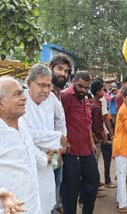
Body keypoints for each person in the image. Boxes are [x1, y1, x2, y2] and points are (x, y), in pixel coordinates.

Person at [20, 64, 68, 214]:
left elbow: (61, 120)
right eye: (41, 85)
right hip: (31, 158)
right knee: (33, 200)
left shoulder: (52, 99)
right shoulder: (21, 101)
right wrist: (58, 137)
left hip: (53, 155)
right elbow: (27, 135)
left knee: (51, 193)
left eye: (48, 85)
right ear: (29, 84)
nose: (46, 90)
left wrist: (59, 149)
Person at [0, 77, 47, 214]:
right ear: (1, 104)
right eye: (17, 94)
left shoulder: (22, 125)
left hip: (33, 205)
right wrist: (2, 193)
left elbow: (29, 149)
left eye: (22, 92)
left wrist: (45, 158)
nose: (24, 98)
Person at [60, 71, 100, 214]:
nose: (83, 90)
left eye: (86, 87)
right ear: (74, 81)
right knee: (70, 191)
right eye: (80, 86)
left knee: (93, 182)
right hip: (70, 153)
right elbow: (57, 122)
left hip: (86, 150)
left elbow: (87, 124)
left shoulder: (85, 100)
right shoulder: (64, 96)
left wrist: (92, 143)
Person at [49, 54, 72, 214]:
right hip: (42, 153)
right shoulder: (41, 93)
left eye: (66, 71)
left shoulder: (60, 95)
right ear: (50, 68)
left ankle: (56, 206)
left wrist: (62, 147)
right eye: (59, 69)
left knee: (56, 185)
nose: (63, 73)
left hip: (57, 153)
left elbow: (60, 124)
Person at [112, 87, 127, 213]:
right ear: (123, 98)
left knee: (121, 175)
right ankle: (123, 206)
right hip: (121, 146)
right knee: (122, 176)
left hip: (121, 145)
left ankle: (119, 201)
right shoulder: (124, 110)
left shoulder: (125, 109)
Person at [90, 80, 116, 190]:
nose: (104, 91)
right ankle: (98, 182)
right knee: (96, 159)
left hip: (101, 134)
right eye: (102, 89)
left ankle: (103, 180)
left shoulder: (97, 101)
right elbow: (99, 122)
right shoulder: (96, 104)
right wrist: (105, 136)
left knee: (104, 157)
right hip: (99, 135)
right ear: (97, 91)